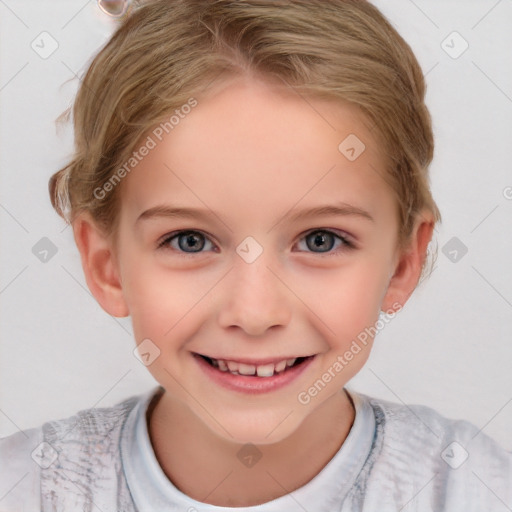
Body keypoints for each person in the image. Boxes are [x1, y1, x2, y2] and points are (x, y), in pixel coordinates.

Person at [1, 1, 510, 510]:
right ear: (105, 265)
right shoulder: (25, 489)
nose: (254, 313)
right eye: (190, 241)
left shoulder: (472, 488)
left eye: (321, 240)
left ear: (403, 261)